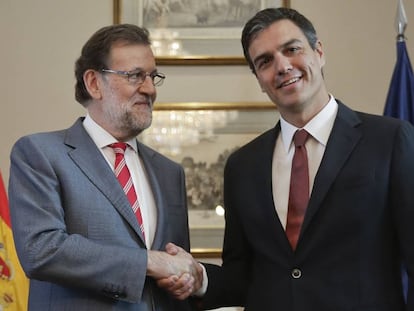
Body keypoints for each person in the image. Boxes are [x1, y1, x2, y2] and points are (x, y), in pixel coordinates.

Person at [163, 7, 414, 310]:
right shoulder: (243, 165)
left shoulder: (389, 140)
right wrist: (198, 277)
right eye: (265, 61)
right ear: (258, 78)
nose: (282, 66)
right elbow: (241, 278)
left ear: (319, 52)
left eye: (292, 49)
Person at [8, 24, 202, 310]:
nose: (149, 89)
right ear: (94, 83)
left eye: (152, 76)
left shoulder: (170, 172)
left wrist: (186, 279)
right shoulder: (40, 154)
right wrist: (150, 262)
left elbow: (175, 264)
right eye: (135, 76)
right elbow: (42, 250)